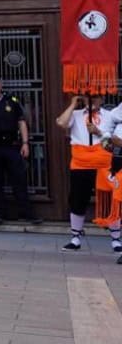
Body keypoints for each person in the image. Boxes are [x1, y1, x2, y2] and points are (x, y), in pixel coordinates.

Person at [55, 95, 122, 253]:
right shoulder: (76, 115)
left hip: (104, 163)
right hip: (81, 163)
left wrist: (98, 132)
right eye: (88, 97)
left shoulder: (110, 115)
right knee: (78, 198)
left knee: (111, 199)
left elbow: (114, 141)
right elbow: (61, 123)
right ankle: (75, 238)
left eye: (96, 97)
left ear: (102, 99)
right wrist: (72, 104)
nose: (92, 100)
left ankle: (116, 239)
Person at [0, 72, 39, 224]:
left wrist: (25, 143)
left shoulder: (12, 100)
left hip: (11, 146)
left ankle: (27, 214)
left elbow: (21, 122)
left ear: (1, 83)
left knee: (19, 180)